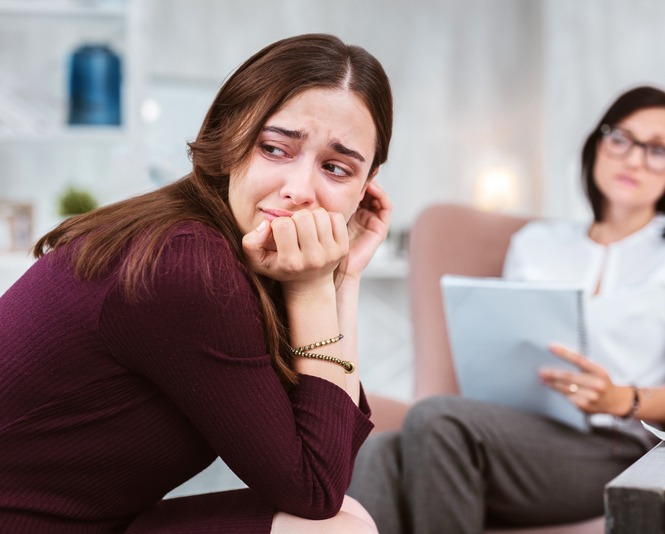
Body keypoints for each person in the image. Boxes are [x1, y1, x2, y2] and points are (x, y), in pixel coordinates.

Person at [0, 33, 393, 533]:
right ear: (230, 138)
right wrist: (316, 287)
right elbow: (315, 488)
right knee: (336, 528)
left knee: (345, 519)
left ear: (365, 186)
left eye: (336, 169)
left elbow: (328, 458)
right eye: (275, 148)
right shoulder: (185, 264)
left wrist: (343, 277)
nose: (298, 190)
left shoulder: (224, 247)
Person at [348, 86, 665, 533]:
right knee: (381, 451)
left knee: (436, 418)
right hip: (516, 430)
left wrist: (622, 399)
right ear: (598, 145)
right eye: (622, 139)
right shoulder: (536, 244)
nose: (634, 159)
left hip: (616, 445)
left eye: (658, 150)